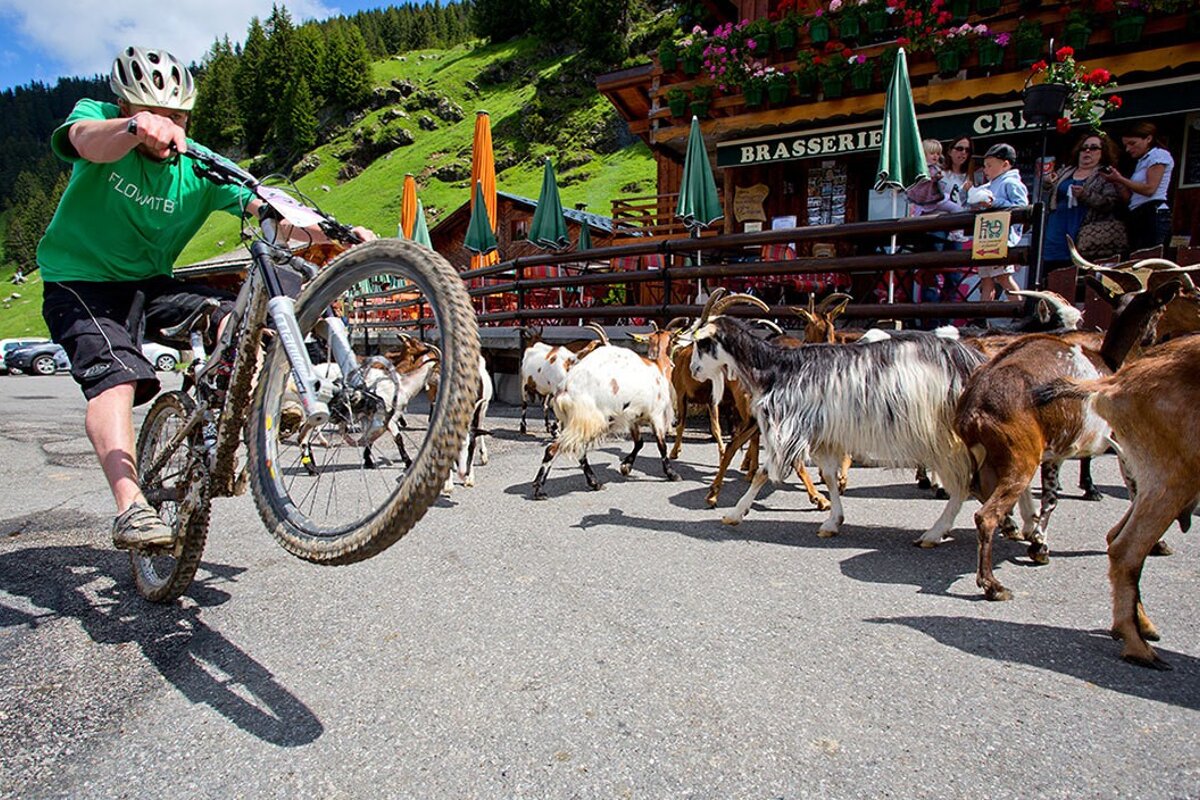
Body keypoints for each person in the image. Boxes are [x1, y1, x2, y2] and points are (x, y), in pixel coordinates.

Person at [37, 46, 374, 552]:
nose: (163, 126)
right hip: (79, 281)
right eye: (148, 112)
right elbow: (85, 143)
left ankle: (234, 408)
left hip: (152, 282)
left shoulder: (197, 162)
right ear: (125, 107)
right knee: (117, 377)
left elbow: (270, 207)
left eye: (175, 116)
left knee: (233, 316)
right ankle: (130, 506)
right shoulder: (100, 119)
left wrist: (335, 233)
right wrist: (132, 130)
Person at [1042, 133, 1125, 271]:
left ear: (1102, 153)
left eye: (1093, 148)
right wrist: (1048, 184)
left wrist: (1085, 195)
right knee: (1051, 268)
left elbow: (1111, 203)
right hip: (1057, 228)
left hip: (1084, 229)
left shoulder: (1105, 174)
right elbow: (1048, 195)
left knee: (1078, 269)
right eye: (1084, 148)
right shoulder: (1065, 172)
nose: (1087, 151)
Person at [1102, 121, 1175, 252]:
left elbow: (1150, 189)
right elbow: (1130, 198)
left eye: (1132, 143)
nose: (1129, 149)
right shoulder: (1140, 162)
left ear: (1148, 139)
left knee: (1150, 255)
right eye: (1126, 145)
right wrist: (1118, 183)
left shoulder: (1158, 155)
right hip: (1136, 212)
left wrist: (1121, 179)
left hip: (1153, 211)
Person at [968, 142, 1028, 301]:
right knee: (986, 279)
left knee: (1003, 277)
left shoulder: (1011, 183)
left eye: (989, 165)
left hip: (1002, 238)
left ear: (1005, 165)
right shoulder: (990, 185)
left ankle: (1018, 309)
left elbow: (1021, 207)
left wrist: (995, 203)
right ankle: (983, 317)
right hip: (987, 237)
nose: (985, 170)